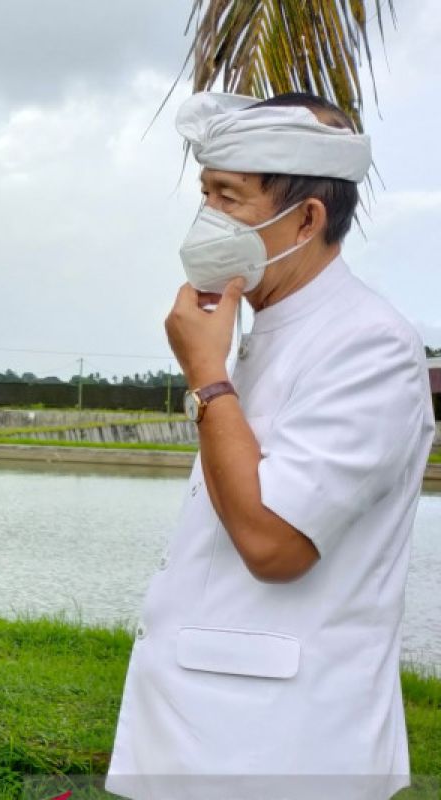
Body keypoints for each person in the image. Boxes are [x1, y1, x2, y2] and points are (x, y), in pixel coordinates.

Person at [106, 93, 435, 800]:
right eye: (205, 195)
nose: (207, 220)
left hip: (285, 746)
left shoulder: (369, 345)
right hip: (214, 735)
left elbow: (273, 544)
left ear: (308, 218)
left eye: (229, 197)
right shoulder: (264, 332)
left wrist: (206, 380)